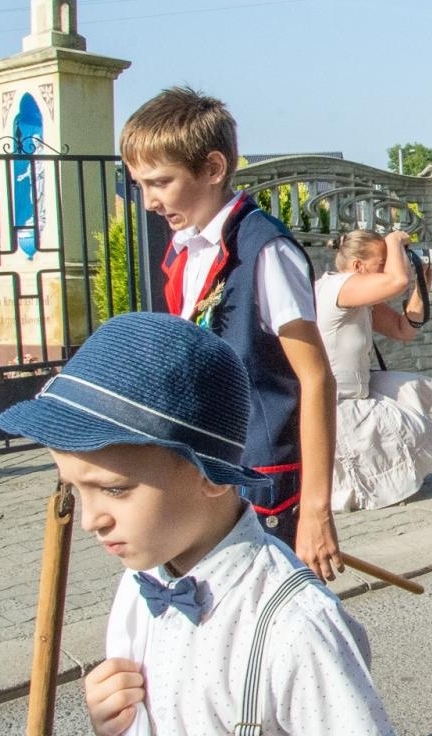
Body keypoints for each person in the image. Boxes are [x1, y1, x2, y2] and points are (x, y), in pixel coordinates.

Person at [0, 313, 394, 736]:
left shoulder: (294, 627)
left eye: (114, 490)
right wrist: (113, 725)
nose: (91, 521)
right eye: (74, 488)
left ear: (209, 475)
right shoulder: (138, 587)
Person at [121, 88, 343, 580]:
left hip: (263, 481)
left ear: (214, 167)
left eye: (161, 182)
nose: (150, 201)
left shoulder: (264, 250)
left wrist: (315, 511)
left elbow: (315, 380)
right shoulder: (188, 250)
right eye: (140, 184)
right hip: (209, 477)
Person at [317, 230, 432, 511]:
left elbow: (404, 329)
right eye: (382, 260)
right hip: (333, 405)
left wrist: (421, 286)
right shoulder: (338, 286)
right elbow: (395, 281)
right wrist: (395, 240)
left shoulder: (358, 297)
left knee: (409, 396)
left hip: (353, 396)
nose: (389, 265)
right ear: (358, 267)